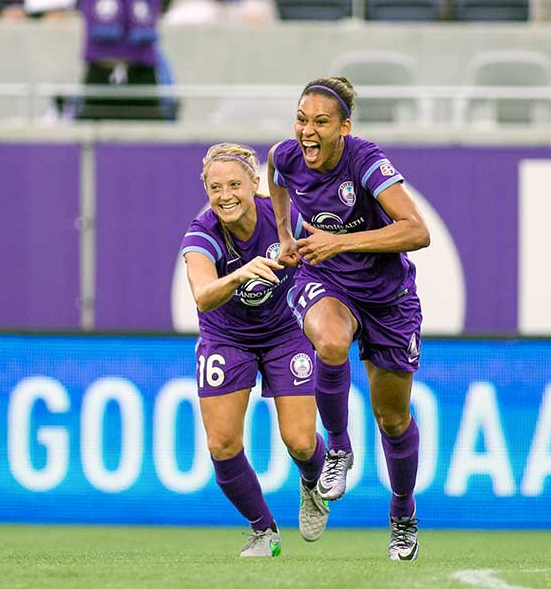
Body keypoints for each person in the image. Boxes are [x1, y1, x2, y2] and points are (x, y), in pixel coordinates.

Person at [267, 77, 431, 562]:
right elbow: (275, 174)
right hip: (329, 283)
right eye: (301, 119)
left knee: (393, 417)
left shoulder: (365, 161)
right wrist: (285, 235)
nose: (307, 132)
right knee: (331, 342)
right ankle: (337, 449)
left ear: (344, 127)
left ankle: (403, 514)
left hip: (388, 298)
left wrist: (338, 241)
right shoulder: (286, 155)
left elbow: (417, 232)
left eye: (320, 122)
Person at [179, 142, 329, 558]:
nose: (224, 195)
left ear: (254, 184)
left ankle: (312, 482)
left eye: (233, 185)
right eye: (215, 187)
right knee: (221, 444)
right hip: (226, 337)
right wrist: (241, 273)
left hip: (286, 332)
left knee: (300, 441)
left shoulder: (285, 219)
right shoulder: (202, 233)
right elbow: (204, 295)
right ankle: (264, 531)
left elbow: (330, 252)